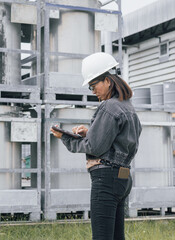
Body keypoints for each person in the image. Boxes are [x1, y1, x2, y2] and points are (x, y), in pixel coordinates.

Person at [50, 52, 142, 240]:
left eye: (93, 86)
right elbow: (118, 139)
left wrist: (64, 137)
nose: (93, 91)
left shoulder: (108, 107)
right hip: (123, 177)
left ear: (107, 81)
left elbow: (95, 147)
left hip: (106, 178)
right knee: (117, 236)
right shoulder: (128, 107)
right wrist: (90, 131)